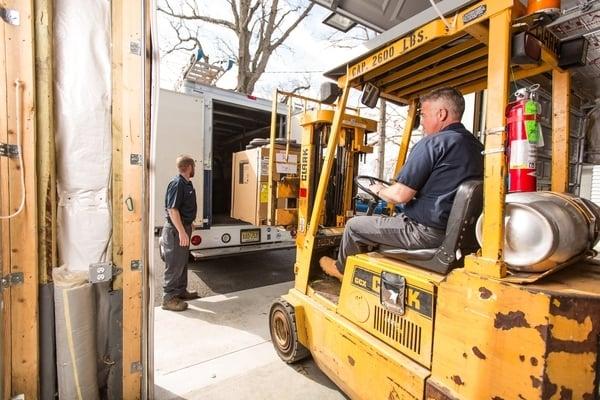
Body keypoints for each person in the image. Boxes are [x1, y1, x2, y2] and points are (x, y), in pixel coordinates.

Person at [320, 87, 484, 281]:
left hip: (424, 233)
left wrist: (378, 189)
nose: (421, 122)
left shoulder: (433, 143)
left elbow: (399, 196)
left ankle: (341, 270)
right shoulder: (477, 147)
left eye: (423, 115)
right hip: (463, 236)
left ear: (441, 114)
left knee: (354, 226)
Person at [161, 155, 200, 311]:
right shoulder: (177, 183)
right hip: (176, 231)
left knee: (182, 262)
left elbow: (182, 208)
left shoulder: (186, 183)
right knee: (174, 264)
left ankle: (180, 291)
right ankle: (169, 299)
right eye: (194, 166)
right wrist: (182, 232)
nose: (194, 169)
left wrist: (190, 223)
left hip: (183, 227)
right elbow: (173, 209)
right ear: (189, 167)